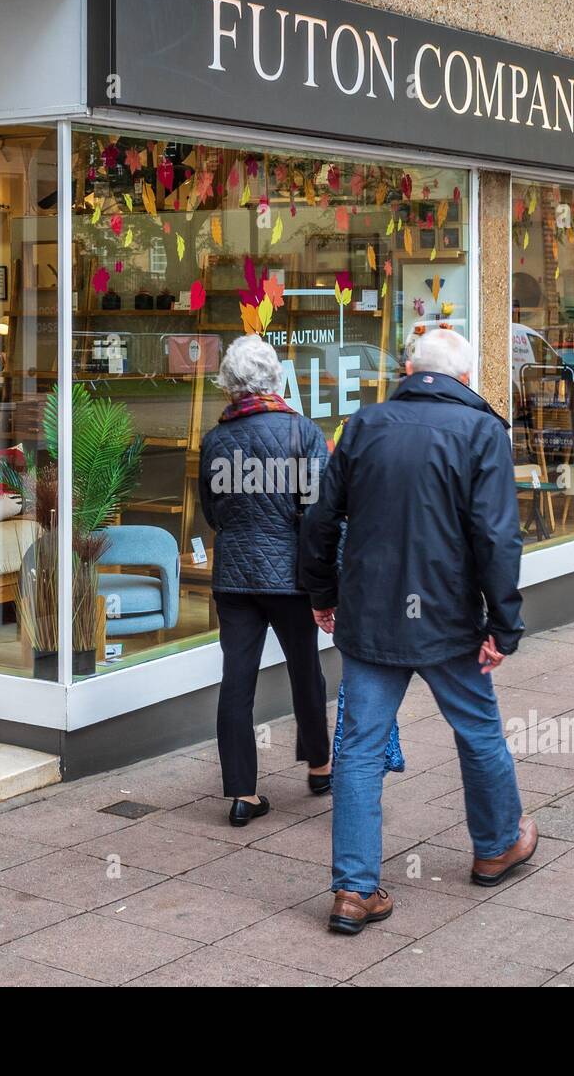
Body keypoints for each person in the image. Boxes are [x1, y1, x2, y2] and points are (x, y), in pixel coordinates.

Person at [300, 326, 535, 935]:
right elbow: (497, 539)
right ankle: (496, 846)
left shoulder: (365, 426)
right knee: (479, 732)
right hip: (448, 619)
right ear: (462, 380)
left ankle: (352, 891)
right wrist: (503, 625)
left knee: (358, 749)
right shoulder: (482, 431)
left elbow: (321, 521)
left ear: (409, 371)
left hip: (371, 613)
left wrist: (323, 595)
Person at [199, 334, 332, 827]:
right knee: (305, 672)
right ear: (275, 378)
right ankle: (319, 766)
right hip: (291, 578)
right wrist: (325, 581)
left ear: (229, 384)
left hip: (234, 577)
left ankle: (242, 793)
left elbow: (211, 510)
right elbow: (318, 516)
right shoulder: (303, 434)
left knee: (236, 681)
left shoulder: (215, 439)